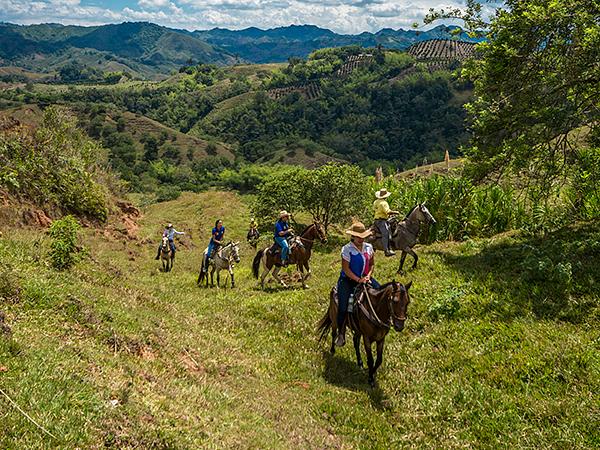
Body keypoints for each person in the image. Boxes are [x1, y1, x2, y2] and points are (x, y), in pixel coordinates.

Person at [335, 221, 380, 347]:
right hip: (348, 280)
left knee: (381, 293)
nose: (361, 239)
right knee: (343, 307)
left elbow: (371, 264)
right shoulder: (347, 249)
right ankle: (341, 333)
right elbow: (346, 269)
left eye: (362, 236)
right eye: (358, 237)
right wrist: (358, 280)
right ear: (353, 237)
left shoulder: (369, 247)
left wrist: (368, 276)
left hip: (365, 278)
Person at [373, 188, 399, 257]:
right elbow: (387, 211)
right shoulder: (384, 203)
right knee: (386, 233)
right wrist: (396, 212)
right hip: (381, 221)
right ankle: (386, 251)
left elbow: (376, 210)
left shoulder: (376, 202)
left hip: (376, 220)